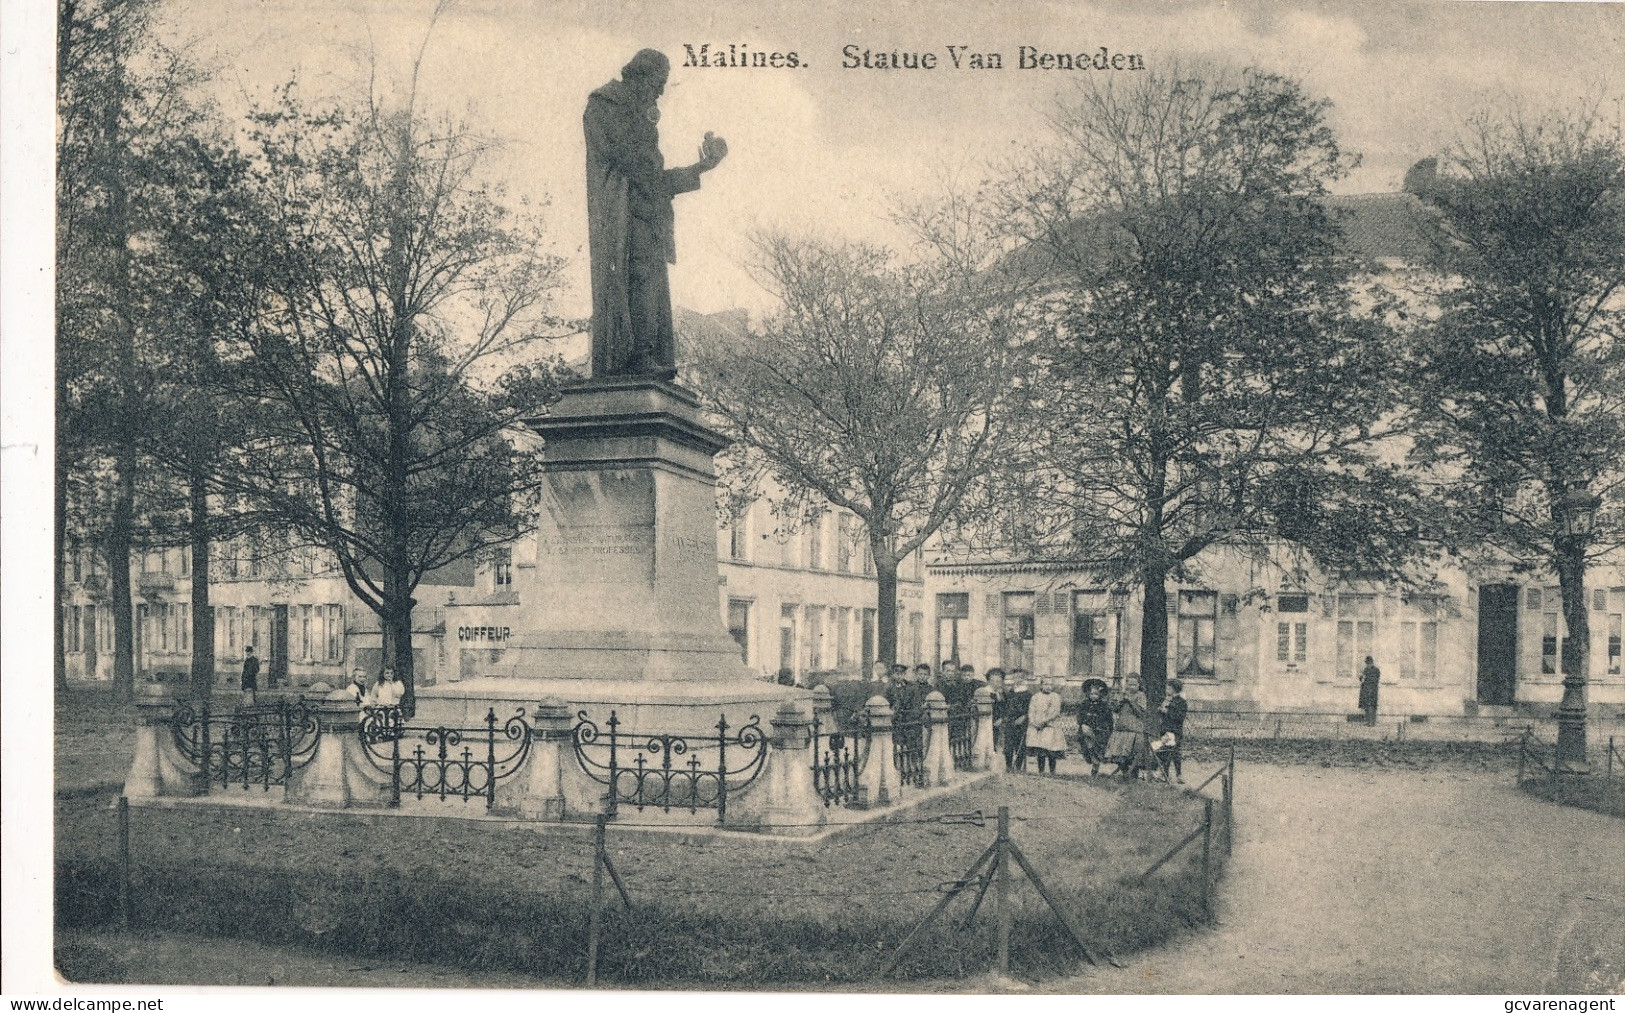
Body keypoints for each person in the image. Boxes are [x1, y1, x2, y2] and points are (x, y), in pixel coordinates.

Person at [584, 49, 728, 379]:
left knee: (649, 282)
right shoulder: (606, 104)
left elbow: (654, 178)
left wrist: (702, 167)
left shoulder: (640, 113)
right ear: (638, 76)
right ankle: (634, 354)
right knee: (638, 278)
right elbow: (631, 166)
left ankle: (643, 353)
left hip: (649, 216)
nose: (662, 92)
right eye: (658, 83)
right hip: (623, 214)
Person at [1104, 675, 1152, 780]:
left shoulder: (1141, 695)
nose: (1131, 687)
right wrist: (1117, 702)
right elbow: (1115, 710)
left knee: (1132, 753)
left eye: (1134, 684)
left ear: (1139, 685)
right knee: (1119, 753)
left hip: (1134, 729)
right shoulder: (1123, 695)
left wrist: (1130, 701)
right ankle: (1125, 772)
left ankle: (1133, 774)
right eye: (1129, 684)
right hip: (1122, 727)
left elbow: (1141, 712)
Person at [1026, 677, 1066, 775]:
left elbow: (1055, 712)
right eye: (1046, 684)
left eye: (1050, 684)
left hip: (1050, 726)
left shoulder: (1055, 697)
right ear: (1041, 685)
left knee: (1051, 750)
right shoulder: (1035, 697)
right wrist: (1033, 722)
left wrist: (1044, 722)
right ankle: (1041, 772)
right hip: (1037, 727)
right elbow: (1031, 711)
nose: (1048, 687)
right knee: (1041, 750)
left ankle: (1052, 772)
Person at [1075, 678, 1113, 776]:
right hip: (1086, 729)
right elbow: (1079, 715)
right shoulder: (1084, 704)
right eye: (1092, 694)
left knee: (1097, 750)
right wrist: (1082, 724)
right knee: (1087, 748)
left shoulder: (1104, 706)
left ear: (1100, 694)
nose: (1093, 696)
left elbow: (1109, 719)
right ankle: (1092, 761)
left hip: (1099, 731)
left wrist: (1108, 730)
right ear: (1088, 694)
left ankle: (1095, 769)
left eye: (1096, 694)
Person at [1000, 669, 1032, 773]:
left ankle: (1018, 767)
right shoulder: (1010, 692)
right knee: (1008, 745)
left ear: (1024, 678)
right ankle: (1008, 766)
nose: (1017, 679)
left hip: (1021, 722)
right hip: (1010, 721)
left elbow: (1031, 709)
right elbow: (1005, 706)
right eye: (1015, 677)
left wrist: (1024, 717)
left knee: (1020, 745)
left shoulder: (1027, 693)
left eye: (1020, 677)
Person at [1158, 677, 1189, 783]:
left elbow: (1179, 717)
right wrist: (1161, 711)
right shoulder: (1168, 700)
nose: (1166, 690)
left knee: (1173, 753)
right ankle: (1166, 775)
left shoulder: (1181, 702)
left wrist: (1166, 712)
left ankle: (1176, 775)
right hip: (1166, 729)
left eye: (1168, 688)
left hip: (1174, 731)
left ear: (1173, 689)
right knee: (1166, 752)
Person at [1359, 656, 1381, 725]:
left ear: (1370, 662)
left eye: (1368, 663)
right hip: (1369, 690)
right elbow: (1362, 679)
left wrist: (1363, 677)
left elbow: (1375, 680)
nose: (1367, 664)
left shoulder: (1371, 670)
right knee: (1369, 706)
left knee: (1370, 706)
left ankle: (1371, 722)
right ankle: (1370, 722)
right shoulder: (1369, 669)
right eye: (1367, 663)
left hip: (1370, 690)